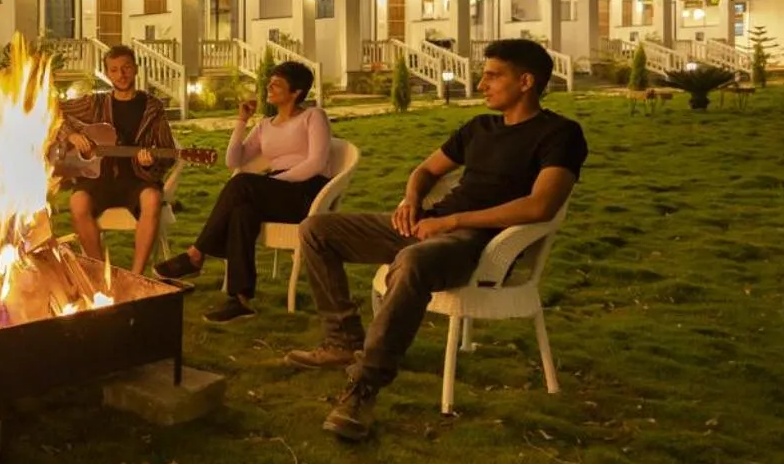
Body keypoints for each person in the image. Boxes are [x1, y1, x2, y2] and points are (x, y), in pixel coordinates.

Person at [284, 39, 586, 443]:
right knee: (316, 230)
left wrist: (451, 222)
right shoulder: (479, 127)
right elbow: (425, 169)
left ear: (526, 81)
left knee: (412, 262)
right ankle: (342, 338)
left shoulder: (560, 134)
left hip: (478, 242)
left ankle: (364, 386)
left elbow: (540, 206)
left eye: (493, 75)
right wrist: (411, 201)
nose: (482, 84)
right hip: (431, 224)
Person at [153, 61, 332, 322]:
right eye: (270, 81)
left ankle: (196, 255)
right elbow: (233, 160)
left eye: (277, 84)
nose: (269, 86)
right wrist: (241, 121)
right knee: (241, 212)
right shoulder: (265, 125)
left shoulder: (314, 117)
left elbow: (316, 162)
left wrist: (278, 181)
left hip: (305, 192)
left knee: (242, 184)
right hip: (274, 189)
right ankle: (241, 300)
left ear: (296, 92)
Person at [58, 44, 175, 276]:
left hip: (136, 179)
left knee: (152, 198)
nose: (121, 75)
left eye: (126, 68)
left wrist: (150, 162)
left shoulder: (153, 107)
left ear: (136, 69)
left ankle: (135, 276)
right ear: (107, 73)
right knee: (78, 203)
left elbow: (168, 150)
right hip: (99, 176)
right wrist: (71, 134)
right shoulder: (97, 103)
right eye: (114, 70)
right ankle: (102, 274)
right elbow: (52, 111)